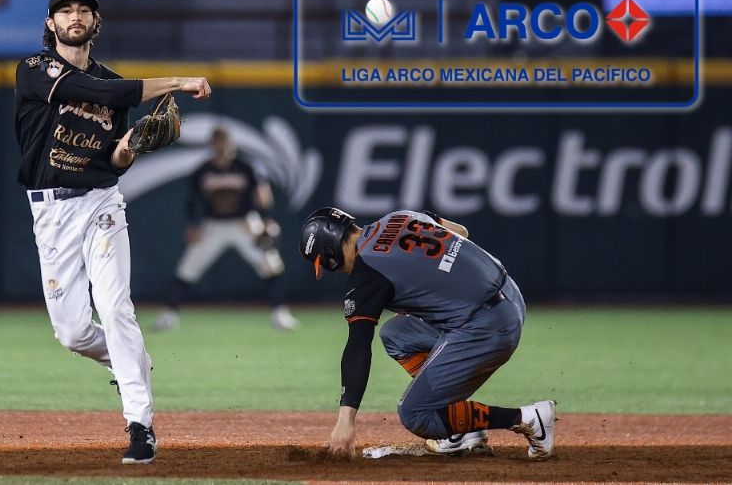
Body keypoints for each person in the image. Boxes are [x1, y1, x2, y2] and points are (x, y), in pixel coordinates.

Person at [14, 0, 211, 465]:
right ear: (50, 23)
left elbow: (115, 158)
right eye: (65, 10)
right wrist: (177, 80)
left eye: (83, 10)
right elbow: (94, 90)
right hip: (51, 211)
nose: (75, 16)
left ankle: (140, 425)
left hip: (101, 204)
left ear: (95, 23)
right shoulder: (35, 70)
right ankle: (132, 363)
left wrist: (132, 147)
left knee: (116, 307)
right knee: (73, 333)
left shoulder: (113, 84)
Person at [298, 207, 556, 460]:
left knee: (415, 415)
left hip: (488, 327)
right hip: (510, 295)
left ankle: (528, 419)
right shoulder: (398, 218)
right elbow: (461, 232)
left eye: (326, 264)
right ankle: (461, 429)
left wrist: (346, 421)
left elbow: (358, 347)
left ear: (330, 254)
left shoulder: (366, 275)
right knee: (396, 334)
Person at [153, 127, 299, 331]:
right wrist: (192, 224)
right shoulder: (203, 170)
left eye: (224, 141)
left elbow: (263, 194)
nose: (221, 146)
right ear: (212, 145)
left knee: (270, 263)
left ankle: (280, 313)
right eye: (217, 142)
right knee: (188, 267)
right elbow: (192, 200)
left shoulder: (246, 167)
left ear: (231, 144)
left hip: (245, 223)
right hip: (214, 224)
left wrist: (266, 220)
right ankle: (169, 315)